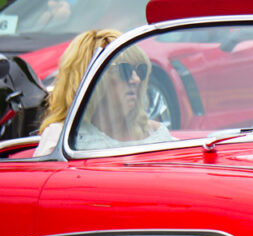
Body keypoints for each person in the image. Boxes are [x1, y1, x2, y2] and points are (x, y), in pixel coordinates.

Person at [33, 29, 171, 155]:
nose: (136, 80)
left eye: (140, 70)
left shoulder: (156, 133)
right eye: (125, 70)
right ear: (88, 79)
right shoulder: (61, 139)